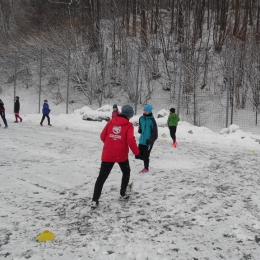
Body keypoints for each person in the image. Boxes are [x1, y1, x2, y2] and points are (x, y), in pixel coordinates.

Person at [91, 105, 140, 208]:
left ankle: (95, 200)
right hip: (121, 155)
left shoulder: (111, 121)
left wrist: (111, 144)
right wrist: (137, 152)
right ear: (129, 116)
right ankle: (122, 194)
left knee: (101, 177)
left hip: (108, 154)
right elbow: (130, 140)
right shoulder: (129, 125)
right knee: (126, 172)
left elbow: (102, 136)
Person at [136, 104, 158, 173]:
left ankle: (146, 168)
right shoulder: (141, 118)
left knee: (146, 156)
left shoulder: (152, 121)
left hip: (148, 141)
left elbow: (155, 134)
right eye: (144, 110)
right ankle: (145, 164)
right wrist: (140, 130)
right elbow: (141, 126)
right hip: (142, 140)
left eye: (147, 110)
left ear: (150, 111)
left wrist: (151, 140)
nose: (145, 112)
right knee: (139, 155)